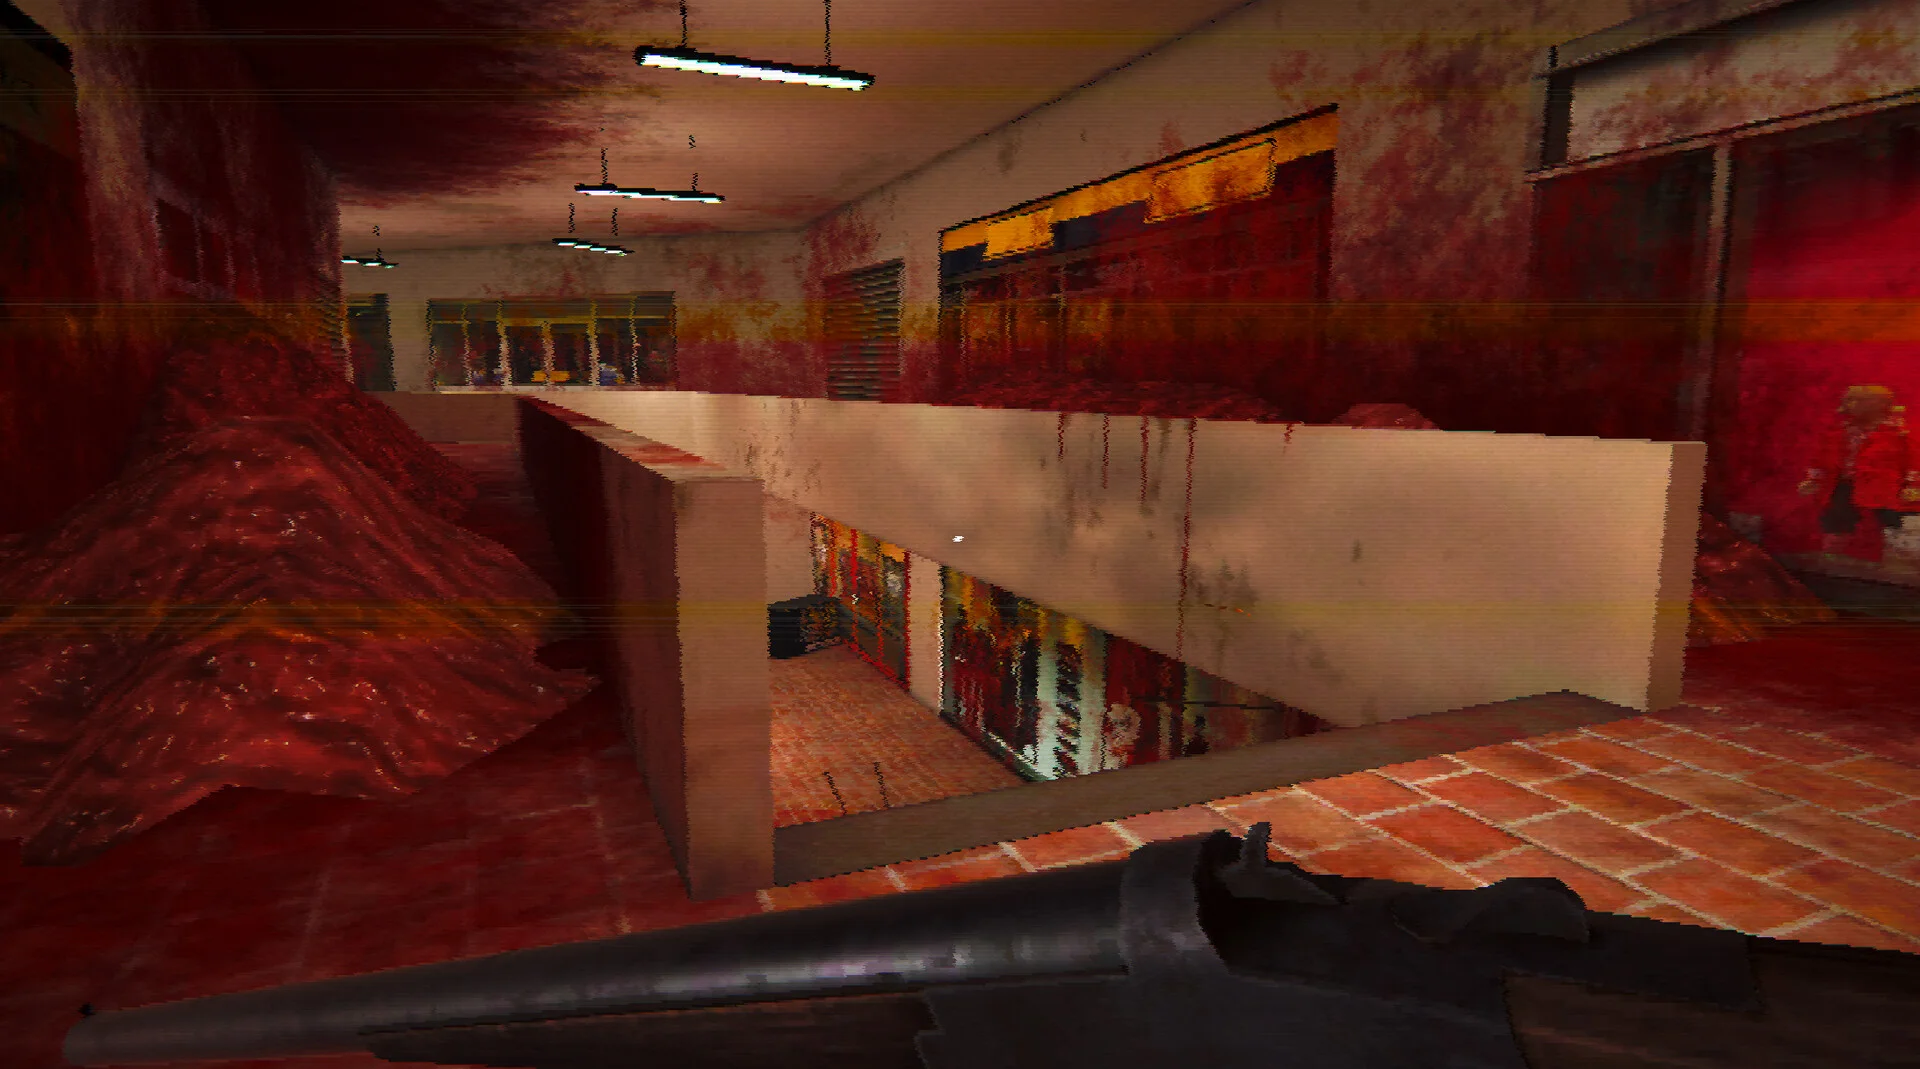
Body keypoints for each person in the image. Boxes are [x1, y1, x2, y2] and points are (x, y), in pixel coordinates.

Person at [1797, 385, 1920, 558]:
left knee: (1895, 523)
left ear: (1880, 404)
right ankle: (1832, 558)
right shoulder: (1840, 432)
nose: (1850, 404)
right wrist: (1814, 480)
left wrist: (1913, 485)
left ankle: (1901, 558)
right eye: (1849, 400)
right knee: (1836, 519)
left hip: (1886, 488)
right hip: (1845, 485)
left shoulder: (1900, 433)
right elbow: (1823, 458)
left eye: (1858, 400)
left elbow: (1914, 460)